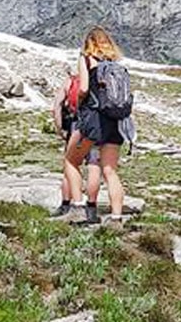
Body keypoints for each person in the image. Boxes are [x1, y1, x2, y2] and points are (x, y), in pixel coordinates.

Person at [58, 27, 130, 227]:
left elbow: (83, 88)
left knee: (71, 161)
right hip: (115, 122)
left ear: (89, 42)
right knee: (110, 171)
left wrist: (79, 101)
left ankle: (78, 208)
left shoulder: (86, 58)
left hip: (93, 120)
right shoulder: (115, 65)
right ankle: (116, 218)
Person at [51, 68, 102, 223]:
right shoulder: (100, 82)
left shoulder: (71, 81)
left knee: (71, 164)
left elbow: (57, 106)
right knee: (94, 165)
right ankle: (91, 209)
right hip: (99, 125)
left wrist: (60, 129)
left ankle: (67, 205)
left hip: (78, 125)